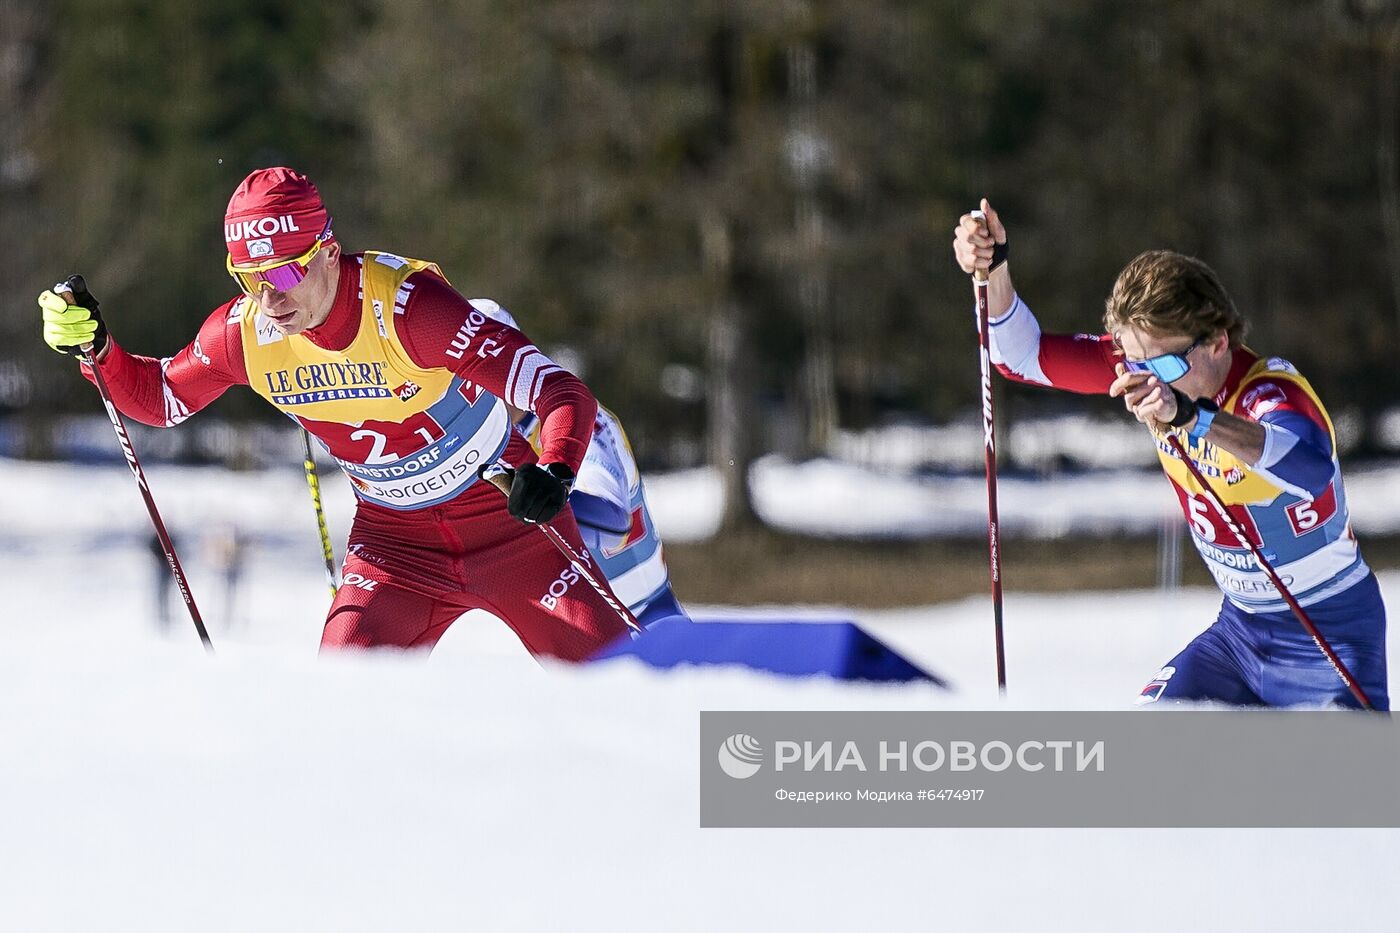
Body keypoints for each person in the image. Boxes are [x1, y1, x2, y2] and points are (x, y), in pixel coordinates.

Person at [39, 167, 632, 661]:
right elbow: (161, 399)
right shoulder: (244, 334)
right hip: (394, 548)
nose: (269, 298)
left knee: (623, 687)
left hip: (510, 528)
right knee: (339, 706)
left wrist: (554, 471)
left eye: (284, 272)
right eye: (249, 277)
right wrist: (98, 348)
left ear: (327, 252)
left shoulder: (410, 311)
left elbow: (560, 392)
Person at [952, 198, 1389, 709]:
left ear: (1218, 341)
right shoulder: (1146, 364)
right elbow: (1020, 357)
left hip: (1330, 634)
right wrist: (994, 268)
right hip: (1240, 637)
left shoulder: (1269, 391)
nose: (1142, 380)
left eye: (1162, 365)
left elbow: (1309, 468)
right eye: (1134, 362)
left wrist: (1195, 418)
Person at [473, 302, 690, 630]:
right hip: (569, 628)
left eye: (488, 371)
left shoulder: (573, 418)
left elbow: (612, 523)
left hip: (642, 619)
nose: (475, 390)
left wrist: (529, 501)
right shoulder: (489, 436)